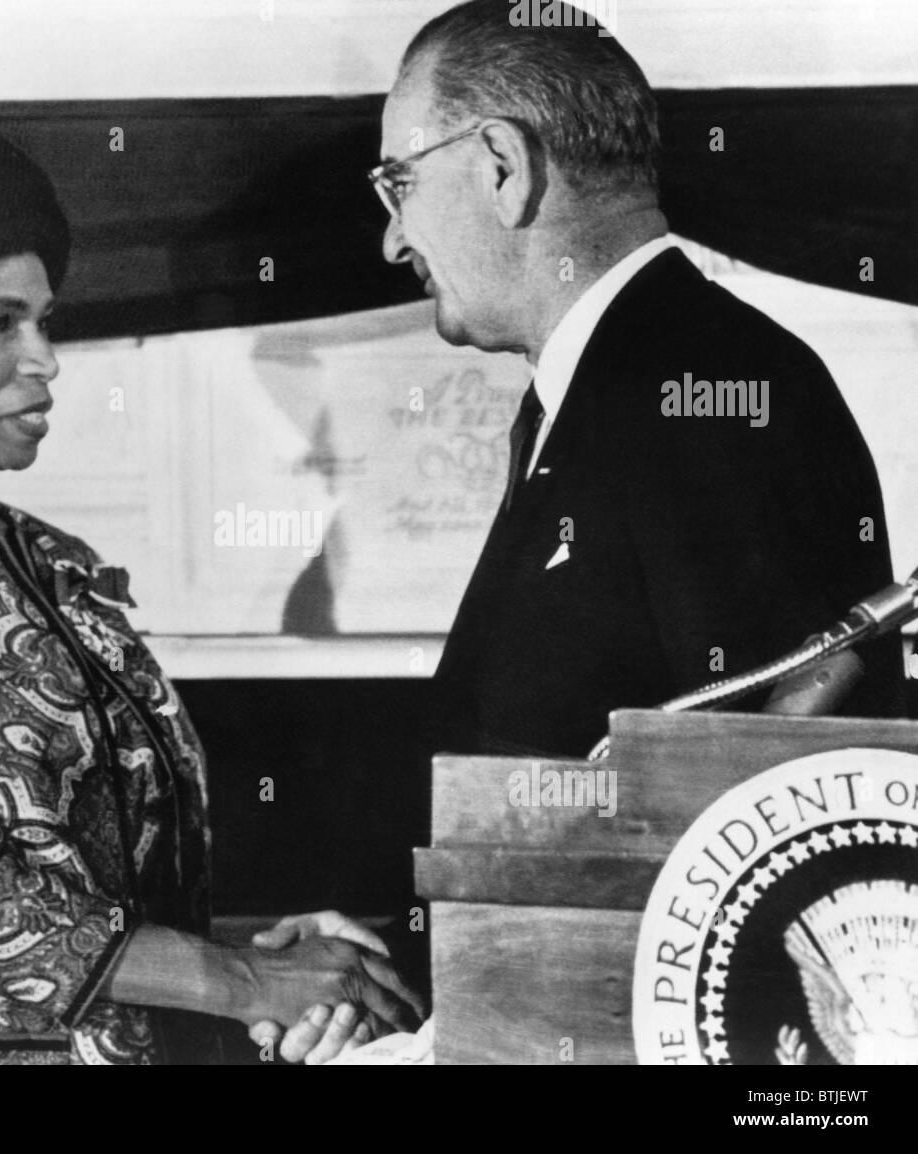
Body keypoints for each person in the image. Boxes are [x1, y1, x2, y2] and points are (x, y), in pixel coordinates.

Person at [0, 104, 422, 1065]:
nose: (45, 358)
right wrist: (243, 983)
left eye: (43, 321)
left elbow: (99, 890)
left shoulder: (52, 563)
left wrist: (271, 958)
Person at [284, 0, 906, 1061]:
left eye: (398, 184)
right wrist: (397, 957)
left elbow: (759, 814)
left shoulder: (710, 385)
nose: (391, 237)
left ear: (499, 167)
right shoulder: (613, 382)